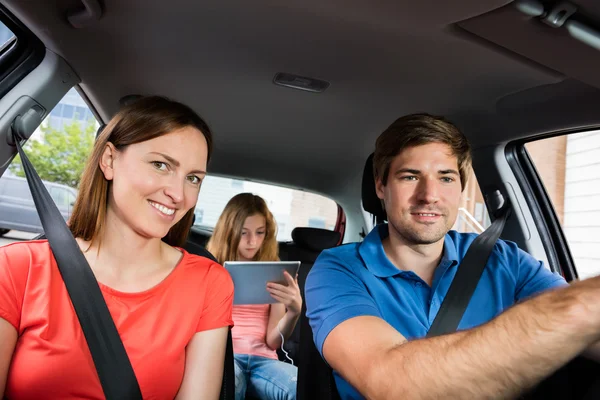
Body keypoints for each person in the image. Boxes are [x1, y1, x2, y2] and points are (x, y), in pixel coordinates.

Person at [304, 113, 600, 399]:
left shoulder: (504, 258)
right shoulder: (339, 269)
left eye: (446, 178)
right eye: (410, 176)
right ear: (381, 187)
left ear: (460, 188)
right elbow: (395, 385)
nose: (429, 194)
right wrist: (579, 304)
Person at [0, 96, 234, 399]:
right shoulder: (18, 267)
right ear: (109, 160)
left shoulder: (208, 283)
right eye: (160, 165)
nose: (178, 194)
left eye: (193, 178)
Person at [206, 193, 301, 400]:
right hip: (227, 357)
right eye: (244, 233)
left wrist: (293, 311)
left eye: (260, 233)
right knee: (229, 386)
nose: (252, 241)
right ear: (229, 232)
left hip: (265, 361)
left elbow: (273, 342)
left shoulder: (272, 270)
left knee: (301, 388)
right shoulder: (210, 267)